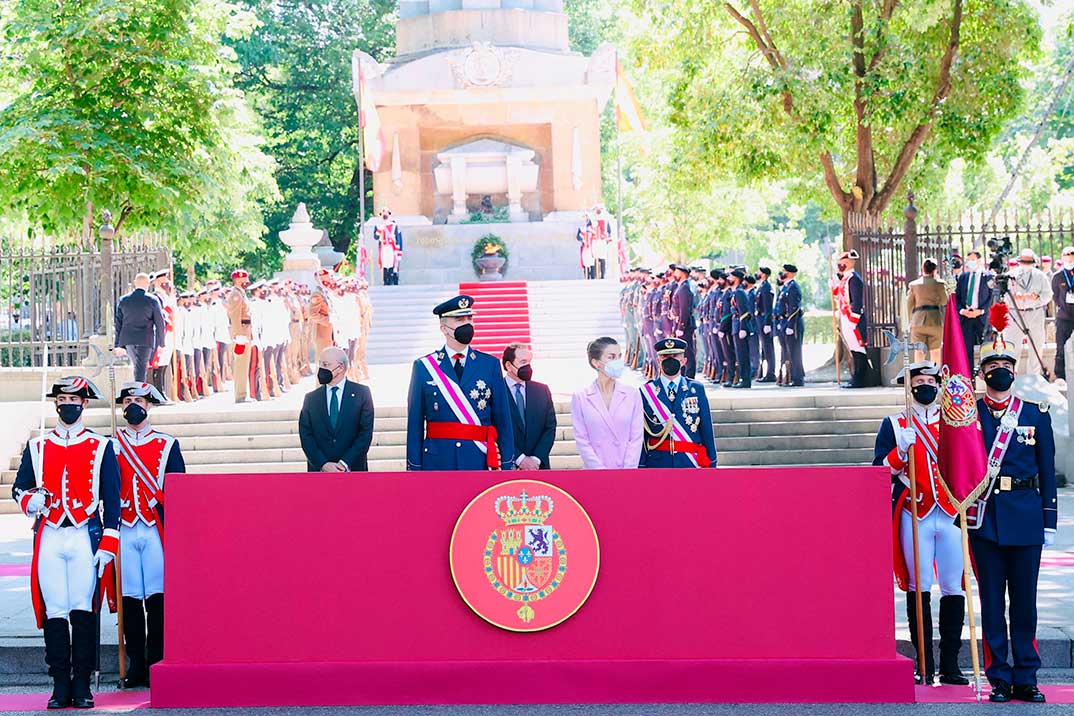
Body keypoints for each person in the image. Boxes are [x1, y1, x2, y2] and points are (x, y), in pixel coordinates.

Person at [11, 377, 120, 709]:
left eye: (74, 399)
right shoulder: (38, 446)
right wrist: (31, 501)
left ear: (84, 403)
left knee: (83, 609)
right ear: (55, 403)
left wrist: (109, 543)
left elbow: (112, 499)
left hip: (85, 534)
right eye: (62, 399)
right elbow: (19, 488)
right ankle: (59, 684)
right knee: (55, 610)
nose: (67, 404)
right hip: (51, 536)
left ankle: (82, 684)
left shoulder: (101, 447)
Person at [968, 331, 1056, 702]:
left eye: (1005, 366)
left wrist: (1049, 519)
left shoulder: (1035, 414)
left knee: (1025, 603)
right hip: (985, 519)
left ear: (1014, 372)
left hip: (1025, 515)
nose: (1000, 372)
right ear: (982, 372)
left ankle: (1026, 676)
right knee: (991, 602)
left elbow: (1047, 469)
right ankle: (999, 678)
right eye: (993, 367)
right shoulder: (968, 415)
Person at [872, 361, 966, 686]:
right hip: (916, 512)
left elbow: (969, 461)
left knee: (954, 587)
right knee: (919, 586)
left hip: (951, 515)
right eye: (920, 380)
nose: (926, 385)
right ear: (909, 386)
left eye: (931, 380)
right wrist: (900, 451)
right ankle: (923, 663)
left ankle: (951, 665)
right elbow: (879, 471)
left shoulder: (955, 422)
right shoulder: (895, 423)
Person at [110, 381, 184, 688]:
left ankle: (157, 660)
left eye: (138, 400)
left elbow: (179, 489)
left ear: (149, 404)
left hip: (154, 527)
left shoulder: (167, 444)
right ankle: (135, 664)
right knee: (129, 598)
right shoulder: (112, 444)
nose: (132, 406)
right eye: (127, 401)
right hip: (126, 526)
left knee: (156, 596)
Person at [405, 295, 515, 471]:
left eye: (469, 318)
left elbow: (503, 419)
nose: (467, 324)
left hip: (478, 458)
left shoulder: (489, 364)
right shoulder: (424, 367)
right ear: (444, 328)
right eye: (459, 319)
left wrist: (508, 464)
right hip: (438, 461)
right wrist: (414, 467)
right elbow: (415, 424)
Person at [639, 338, 717, 468]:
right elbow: (641, 434)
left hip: (689, 461)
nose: (670, 359)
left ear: (683, 361)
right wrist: (641, 465)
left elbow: (706, 429)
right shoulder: (646, 391)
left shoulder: (696, 389)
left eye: (675, 356)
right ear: (658, 361)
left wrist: (712, 462)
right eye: (665, 356)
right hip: (658, 463)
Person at [570, 337, 644, 469]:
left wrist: (628, 469)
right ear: (596, 363)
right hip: (595, 473)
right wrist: (599, 471)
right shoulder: (581, 397)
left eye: (619, 356)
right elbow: (582, 440)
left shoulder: (632, 394)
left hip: (626, 472)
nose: (617, 362)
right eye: (611, 357)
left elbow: (636, 438)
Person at [299, 347, 375, 472]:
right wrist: (323, 464)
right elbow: (306, 436)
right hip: (320, 473)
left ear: (340, 367)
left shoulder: (362, 393)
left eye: (325, 364)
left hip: (353, 471)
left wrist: (344, 463)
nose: (321, 369)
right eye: (320, 364)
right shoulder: (311, 399)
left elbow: (365, 434)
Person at [502, 343, 556, 470]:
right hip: (508, 467)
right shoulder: (496, 391)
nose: (528, 367)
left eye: (529, 362)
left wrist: (536, 459)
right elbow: (496, 430)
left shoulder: (542, 390)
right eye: (523, 362)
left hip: (538, 467)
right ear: (509, 365)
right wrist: (520, 459)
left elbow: (550, 428)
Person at [1003, 248, 1052, 380]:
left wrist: (1035, 299)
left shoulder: (1040, 276)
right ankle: (1011, 377)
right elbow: (1003, 295)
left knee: (1036, 346)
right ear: (1019, 261)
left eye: (1029, 261)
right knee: (1012, 347)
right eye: (1023, 261)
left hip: (1034, 313)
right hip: (1014, 314)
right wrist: (1015, 299)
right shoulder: (1010, 275)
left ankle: (1034, 378)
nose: (1026, 264)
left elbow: (1048, 295)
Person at [115, 273, 166, 382]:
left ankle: (138, 389)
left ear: (135, 283)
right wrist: (161, 342)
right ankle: (139, 391)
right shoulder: (152, 300)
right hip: (145, 338)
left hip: (128, 339)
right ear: (148, 284)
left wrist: (118, 344)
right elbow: (160, 323)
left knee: (137, 365)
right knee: (141, 366)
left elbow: (118, 323)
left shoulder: (123, 300)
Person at [955, 250, 993, 370]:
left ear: (979, 260)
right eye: (969, 260)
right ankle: (969, 376)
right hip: (966, 318)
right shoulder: (963, 277)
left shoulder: (987, 277)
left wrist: (981, 311)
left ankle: (985, 373)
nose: (971, 262)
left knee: (986, 347)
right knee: (967, 349)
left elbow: (992, 298)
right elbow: (958, 297)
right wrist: (962, 311)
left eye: (973, 260)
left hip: (982, 318)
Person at [906, 258, 949, 364]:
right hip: (935, 320)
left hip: (918, 321)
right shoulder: (939, 284)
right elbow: (944, 301)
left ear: (922, 269)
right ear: (935, 270)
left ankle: (919, 376)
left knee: (919, 351)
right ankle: (935, 377)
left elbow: (909, 304)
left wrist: (910, 321)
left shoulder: (914, 285)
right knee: (935, 351)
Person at [226, 269, 254, 403]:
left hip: (245, 331)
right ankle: (240, 395)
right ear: (237, 280)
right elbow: (235, 316)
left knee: (244, 364)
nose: (246, 282)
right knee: (241, 365)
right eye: (243, 280)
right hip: (241, 333)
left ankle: (243, 393)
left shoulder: (241, 294)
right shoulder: (236, 295)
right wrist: (238, 336)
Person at [777, 264, 805, 387]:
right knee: (787, 351)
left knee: (795, 351)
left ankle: (797, 378)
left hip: (792, 324)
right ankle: (790, 375)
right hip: (784, 322)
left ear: (791, 273)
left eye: (785, 271)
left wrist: (790, 325)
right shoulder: (785, 287)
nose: (783, 273)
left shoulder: (793, 287)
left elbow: (794, 308)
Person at [1051, 246, 1074, 381]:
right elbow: (1055, 296)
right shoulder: (1058, 276)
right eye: (1067, 254)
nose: (1070, 257)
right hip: (1064, 317)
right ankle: (1060, 376)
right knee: (1061, 347)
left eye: (1072, 254)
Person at [669, 264, 696, 378]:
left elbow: (684, 309)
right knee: (682, 352)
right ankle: (684, 373)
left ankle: (690, 375)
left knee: (687, 352)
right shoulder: (680, 287)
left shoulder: (684, 288)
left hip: (684, 325)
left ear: (682, 274)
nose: (674, 274)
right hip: (678, 323)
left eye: (677, 272)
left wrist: (681, 327)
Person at [728, 269, 753, 389]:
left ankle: (746, 380)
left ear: (736, 279)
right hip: (736, 326)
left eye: (731, 277)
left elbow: (744, 311)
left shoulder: (739, 292)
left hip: (740, 327)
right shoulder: (735, 292)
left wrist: (743, 327)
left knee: (743, 355)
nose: (729, 278)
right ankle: (743, 378)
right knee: (740, 355)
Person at [755, 267, 777, 382]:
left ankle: (771, 373)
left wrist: (767, 323)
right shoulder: (762, 286)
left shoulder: (766, 287)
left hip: (764, 320)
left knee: (768, 348)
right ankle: (766, 372)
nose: (757, 274)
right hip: (760, 319)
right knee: (764, 348)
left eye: (759, 272)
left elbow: (768, 307)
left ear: (763, 274)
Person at [372, 207, 403, 285]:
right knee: (384, 263)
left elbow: (397, 237)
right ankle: (385, 280)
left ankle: (391, 279)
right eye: (383, 213)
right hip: (383, 247)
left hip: (391, 247)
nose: (385, 215)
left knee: (391, 263)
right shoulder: (378, 225)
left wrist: (398, 250)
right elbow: (375, 237)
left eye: (387, 213)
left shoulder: (393, 225)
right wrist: (379, 230)